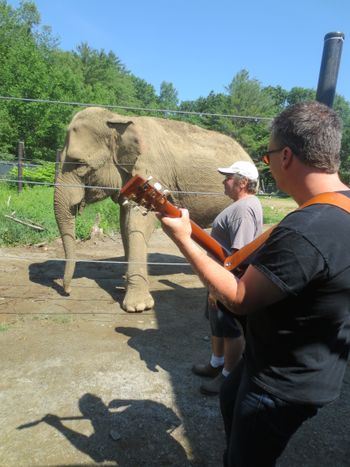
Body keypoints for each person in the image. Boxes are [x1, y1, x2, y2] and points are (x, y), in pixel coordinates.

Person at [157, 100, 350, 467]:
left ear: (287, 156)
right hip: (292, 363)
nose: (269, 164)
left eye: (268, 155)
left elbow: (239, 297)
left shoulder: (308, 229)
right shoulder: (338, 208)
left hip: (281, 384)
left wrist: (183, 238)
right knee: (230, 396)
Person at [192, 161, 263, 395]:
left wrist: (217, 288)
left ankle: (228, 377)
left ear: (242, 182)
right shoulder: (242, 205)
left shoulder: (243, 210)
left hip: (227, 280)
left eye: (228, 177)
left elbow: (238, 256)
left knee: (231, 330)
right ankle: (215, 364)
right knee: (217, 325)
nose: (224, 181)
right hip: (220, 278)